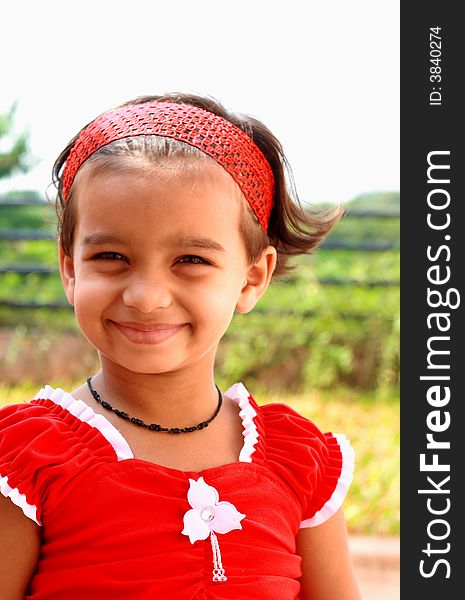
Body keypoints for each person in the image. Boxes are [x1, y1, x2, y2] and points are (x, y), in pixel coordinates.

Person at [0, 94, 361, 599]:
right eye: (110, 256)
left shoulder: (298, 463)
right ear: (69, 269)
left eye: (190, 260)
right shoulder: (28, 461)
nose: (146, 297)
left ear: (252, 279)